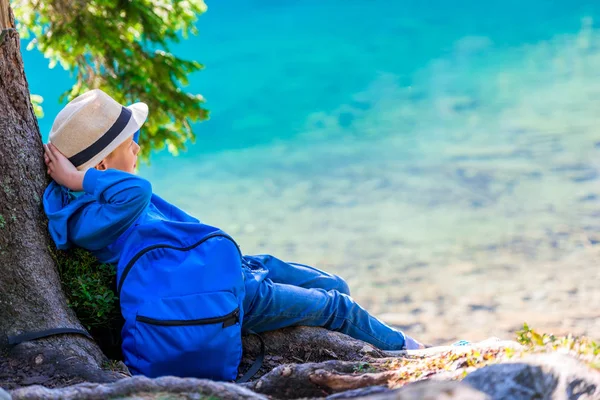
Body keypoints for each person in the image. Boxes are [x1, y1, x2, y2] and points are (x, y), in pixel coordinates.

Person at [42, 88, 425, 353]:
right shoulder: (91, 213)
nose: (138, 146)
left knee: (333, 283)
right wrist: (79, 179)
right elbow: (137, 192)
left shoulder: (100, 198)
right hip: (215, 288)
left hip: (221, 265)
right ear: (103, 166)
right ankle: (412, 352)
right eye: (130, 143)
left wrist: (83, 179)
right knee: (335, 306)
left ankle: (365, 334)